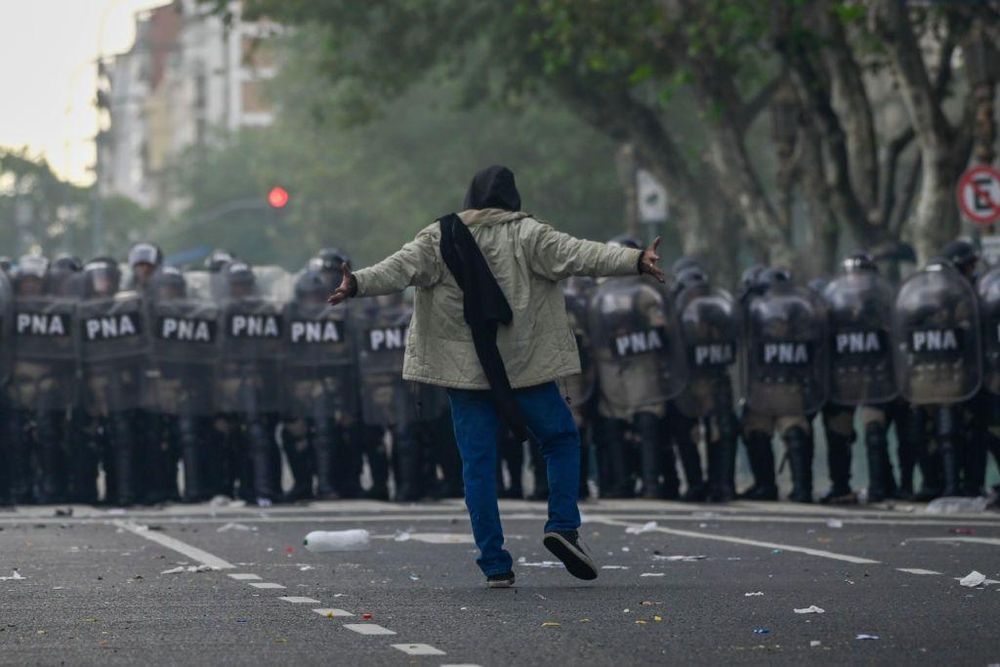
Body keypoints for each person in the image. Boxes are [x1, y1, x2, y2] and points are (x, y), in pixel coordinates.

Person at [327, 165, 664, 587]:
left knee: (478, 466)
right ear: (513, 198)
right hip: (525, 370)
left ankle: (495, 563)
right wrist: (635, 260)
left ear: (471, 197)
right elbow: (582, 254)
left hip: (466, 376)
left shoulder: (438, 235)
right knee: (560, 440)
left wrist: (356, 283)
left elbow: (399, 269)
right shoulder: (531, 234)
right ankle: (562, 525)